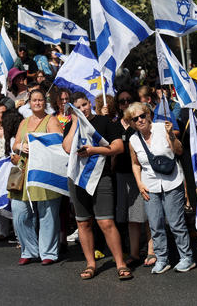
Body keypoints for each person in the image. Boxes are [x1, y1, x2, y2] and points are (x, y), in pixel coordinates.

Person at [62, 92, 132, 280]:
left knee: (106, 222)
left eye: (85, 105)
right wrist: (76, 122)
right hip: (78, 179)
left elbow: (118, 147)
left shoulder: (105, 122)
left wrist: (93, 150)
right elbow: (68, 148)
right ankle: (90, 263)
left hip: (101, 177)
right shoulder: (71, 125)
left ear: (90, 103)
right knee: (83, 222)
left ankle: (120, 263)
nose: (83, 109)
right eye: (78, 107)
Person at [126, 102, 195, 274]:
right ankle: (162, 259)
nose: (140, 120)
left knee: (175, 223)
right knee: (156, 224)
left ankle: (187, 257)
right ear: (132, 122)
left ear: (149, 114)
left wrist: (171, 135)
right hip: (149, 185)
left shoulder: (162, 128)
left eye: (143, 115)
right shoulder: (133, 140)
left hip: (172, 182)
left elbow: (179, 151)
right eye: (135, 119)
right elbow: (135, 164)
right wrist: (139, 184)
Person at [10, 89, 63, 265]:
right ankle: (29, 249)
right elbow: (16, 143)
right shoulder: (24, 122)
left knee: (47, 212)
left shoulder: (51, 120)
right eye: (34, 100)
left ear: (44, 102)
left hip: (44, 171)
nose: (37, 103)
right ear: (29, 103)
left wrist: (37, 145)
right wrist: (22, 146)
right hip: (24, 171)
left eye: (40, 100)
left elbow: (58, 142)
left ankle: (48, 252)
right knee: (19, 212)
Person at [114, 90, 154, 267]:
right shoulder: (114, 124)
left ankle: (152, 251)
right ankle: (135, 252)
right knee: (132, 217)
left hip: (142, 174)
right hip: (123, 175)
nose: (125, 103)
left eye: (128, 100)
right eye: (122, 101)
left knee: (148, 216)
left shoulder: (140, 123)